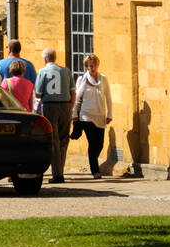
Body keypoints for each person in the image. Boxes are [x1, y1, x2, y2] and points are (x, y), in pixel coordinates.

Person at [33, 47, 73, 183]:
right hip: (66, 105)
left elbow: (38, 93)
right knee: (63, 139)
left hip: (50, 105)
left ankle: (57, 174)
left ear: (45, 59)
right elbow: (73, 91)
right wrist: (70, 107)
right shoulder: (66, 71)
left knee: (54, 140)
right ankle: (60, 169)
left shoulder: (42, 72)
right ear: (55, 58)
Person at [73, 54, 111, 179]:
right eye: (89, 66)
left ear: (97, 65)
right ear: (86, 67)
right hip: (86, 116)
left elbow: (108, 97)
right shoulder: (82, 80)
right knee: (92, 143)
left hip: (100, 115)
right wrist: (74, 115)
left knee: (99, 144)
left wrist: (109, 114)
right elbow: (77, 100)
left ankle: (94, 165)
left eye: (93, 65)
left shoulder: (103, 79)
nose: (91, 68)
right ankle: (95, 171)